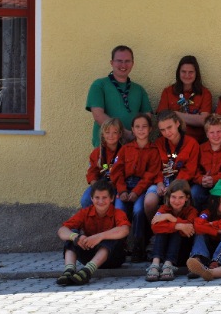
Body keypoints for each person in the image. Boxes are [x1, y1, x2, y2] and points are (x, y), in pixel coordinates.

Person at [109, 113, 162, 261]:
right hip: (124, 185)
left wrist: (136, 192)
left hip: (142, 187)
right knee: (119, 210)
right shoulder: (125, 149)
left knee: (138, 211)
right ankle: (119, 246)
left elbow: (150, 174)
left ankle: (139, 246)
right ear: (132, 129)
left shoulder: (154, 150)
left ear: (150, 129)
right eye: (137, 127)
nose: (141, 130)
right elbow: (117, 172)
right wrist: (122, 191)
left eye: (144, 126)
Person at [56, 180, 130, 286]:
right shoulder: (85, 212)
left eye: (104, 197)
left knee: (112, 236)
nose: (100, 201)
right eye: (97, 197)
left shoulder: (118, 213)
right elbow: (62, 230)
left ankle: (87, 272)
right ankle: (69, 270)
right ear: (91, 198)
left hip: (113, 258)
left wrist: (100, 236)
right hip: (90, 255)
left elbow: (125, 229)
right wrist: (75, 237)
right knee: (72, 234)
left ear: (112, 198)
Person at [86, 45, 152, 147]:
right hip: (106, 146)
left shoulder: (139, 89)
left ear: (132, 63)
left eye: (127, 61)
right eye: (119, 61)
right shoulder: (99, 85)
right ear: (112, 63)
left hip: (133, 146)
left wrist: (137, 134)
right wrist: (124, 133)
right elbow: (98, 115)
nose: (123, 65)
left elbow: (147, 117)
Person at [147, 180, 198, 282]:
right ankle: (155, 263)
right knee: (165, 230)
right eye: (173, 197)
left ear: (187, 198)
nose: (176, 201)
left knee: (177, 231)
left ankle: (168, 265)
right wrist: (178, 225)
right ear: (168, 197)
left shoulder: (192, 211)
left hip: (181, 253)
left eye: (181, 197)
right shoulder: (163, 209)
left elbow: (189, 228)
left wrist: (170, 218)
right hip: (162, 251)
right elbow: (155, 227)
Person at [187, 180, 221, 277]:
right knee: (200, 233)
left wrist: (211, 224)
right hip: (207, 248)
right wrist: (217, 230)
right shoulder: (207, 212)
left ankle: (216, 263)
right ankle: (198, 260)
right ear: (214, 202)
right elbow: (197, 225)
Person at [157, 55, 212, 142]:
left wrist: (175, 114)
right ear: (178, 73)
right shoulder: (168, 92)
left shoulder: (205, 93)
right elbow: (162, 118)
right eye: (183, 71)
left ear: (196, 73)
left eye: (191, 72)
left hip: (196, 141)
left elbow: (203, 120)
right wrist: (194, 118)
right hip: (170, 141)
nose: (187, 75)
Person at [80, 118, 125, 208]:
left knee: (117, 205)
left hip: (117, 185)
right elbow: (92, 172)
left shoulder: (125, 152)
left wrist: (113, 184)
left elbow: (127, 173)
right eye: (107, 132)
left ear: (120, 134)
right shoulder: (97, 152)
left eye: (114, 132)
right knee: (85, 200)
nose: (111, 136)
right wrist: (96, 186)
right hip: (100, 184)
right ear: (103, 134)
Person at [154, 110, 200, 199]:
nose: (167, 132)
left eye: (169, 127)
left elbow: (189, 171)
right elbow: (155, 168)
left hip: (182, 184)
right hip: (162, 184)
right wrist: (159, 183)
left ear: (177, 123)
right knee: (149, 202)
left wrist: (173, 186)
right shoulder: (158, 143)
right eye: (162, 130)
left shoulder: (192, 143)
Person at [192, 114, 221, 211]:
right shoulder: (200, 149)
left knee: (220, 197)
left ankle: (218, 217)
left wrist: (214, 179)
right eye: (211, 132)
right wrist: (201, 179)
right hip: (203, 183)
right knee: (194, 193)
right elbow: (194, 169)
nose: (216, 135)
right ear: (206, 134)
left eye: (219, 131)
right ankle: (198, 216)